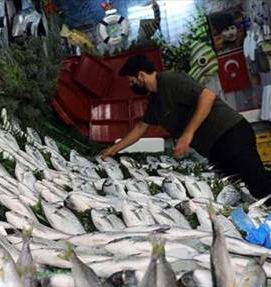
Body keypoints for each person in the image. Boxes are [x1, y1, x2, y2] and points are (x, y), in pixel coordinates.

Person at [100, 54, 271, 199]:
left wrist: (187, 134)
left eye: (131, 81)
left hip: (230, 134)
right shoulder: (155, 100)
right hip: (215, 147)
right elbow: (140, 128)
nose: (132, 86)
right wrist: (113, 150)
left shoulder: (170, 80)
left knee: (258, 184)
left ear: (141, 76)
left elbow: (207, 97)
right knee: (240, 185)